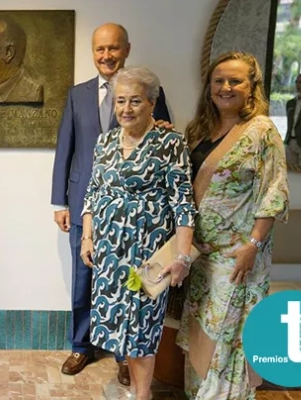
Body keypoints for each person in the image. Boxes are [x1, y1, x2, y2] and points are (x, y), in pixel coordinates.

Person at [49, 22, 171, 384]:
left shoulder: (150, 91)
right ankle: (81, 346)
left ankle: (124, 353)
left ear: (127, 49)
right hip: (84, 204)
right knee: (84, 275)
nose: (106, 56)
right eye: (100, 49)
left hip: (133, 214)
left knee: (129, 281)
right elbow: (65, 148)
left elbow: (162, 139)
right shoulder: (78, 94)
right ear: (93, 53)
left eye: (113, 48)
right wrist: (60, 202)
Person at [177, 51, 289, 399]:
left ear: (251, 87)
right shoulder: (198, 130)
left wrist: (252, 246)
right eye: (219, 80)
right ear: (209, 87)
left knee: (226, 340)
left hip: (236, 258)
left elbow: (274, 191)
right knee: (199, 334)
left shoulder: (262, 131)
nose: (226, 87)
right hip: (199, 255)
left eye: (235, 80)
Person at [80, 66, 196, 400]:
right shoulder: (104, 142)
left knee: (142, 326)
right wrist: (88, 236)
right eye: (120, 101)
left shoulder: (169, 142)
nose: (126, 109)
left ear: (152, 103)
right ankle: (133, 389)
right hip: (110, 253)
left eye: (135, 101)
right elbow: (93, 191)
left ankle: (142, 394)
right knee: (121, 326)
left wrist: (182, 256)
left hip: (150, 253)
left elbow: (183, 203)